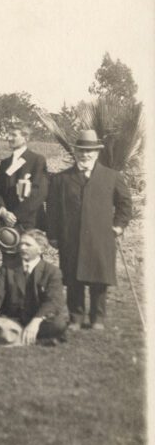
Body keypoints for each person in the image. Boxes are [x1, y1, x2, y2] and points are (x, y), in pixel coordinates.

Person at [47, 129, 132, 331]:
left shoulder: (112, 176)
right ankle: (75, 318)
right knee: (73, 279)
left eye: (90, 151)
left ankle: (97, 318)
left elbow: (125, 204)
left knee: (99, 279)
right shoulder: (61, 179)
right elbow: (52, 209)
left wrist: (118, 226)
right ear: (75, 152)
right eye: (82, 151)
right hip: (71, 238)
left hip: (100, 238)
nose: (85, 155)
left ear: (96, 153)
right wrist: (53, 235)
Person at [0, 229, 69, 345]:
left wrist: (35, 322)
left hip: (38, 319)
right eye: (21, 244)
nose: (22, 248)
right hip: (13, 317)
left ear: (41, 249)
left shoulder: (52, 271)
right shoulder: (8, 268)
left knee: (58, 324)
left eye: (28, 245)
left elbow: (53, 301)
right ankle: (34, 339)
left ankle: (13, 336)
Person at [0, 125, 49, 233]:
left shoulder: (37, 160)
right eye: (8, 134)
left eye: (13, 135)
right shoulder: (5, 163)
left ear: (26, 138)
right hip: (6, 224)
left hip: (29, 223)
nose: (9, 138)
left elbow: (39, 192)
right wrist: (3, 211)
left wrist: (15, 215)